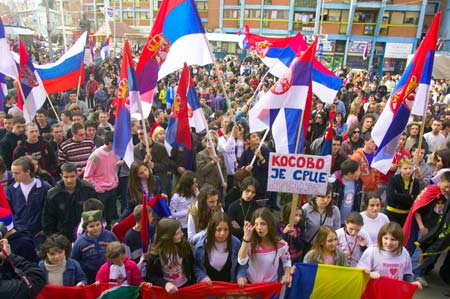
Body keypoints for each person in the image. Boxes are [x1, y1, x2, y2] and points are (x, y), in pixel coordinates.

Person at [42, 162, 98, 242]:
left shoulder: (88, 190)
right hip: (62, 236)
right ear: (61, 176)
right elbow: (48, 219)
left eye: (72, 176)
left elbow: (96, 212)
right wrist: (53, 238)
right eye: (66, 177)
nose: (69, 180)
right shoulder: (53, 195)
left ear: (77, 175)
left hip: (85, 234)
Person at [357, 222, 422, 289]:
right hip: (375, 291)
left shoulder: (404, 252)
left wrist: (411, 283)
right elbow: (359, 271)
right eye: (386, 238)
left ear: (399, 240)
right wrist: (369, 274)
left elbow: (407, 273)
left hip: (395, 291)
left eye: (393, 239)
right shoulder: (372, 251)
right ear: (380, 238)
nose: (389, 243)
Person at [238, 208, 292, 285]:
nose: (259, 227)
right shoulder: (250, 243)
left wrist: (287, 274)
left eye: (263, 224)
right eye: (256, 224)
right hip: (252, 285)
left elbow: (286, 260)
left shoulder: (281, 244)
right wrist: (246, 238)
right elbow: (241, 261)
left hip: (270, 287)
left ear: (270, 224)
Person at [6, 157, 51, 248]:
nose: (13, 176)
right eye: (13, 172)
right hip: (19, 233)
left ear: (28, 172)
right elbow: (9, 211)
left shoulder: (44, 188)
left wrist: (44, 229)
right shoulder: (11, 189)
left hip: (38, 235)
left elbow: (50, 210)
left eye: (17, 173)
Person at [193, 212, 247, 287]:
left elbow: (242, 264)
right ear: (212, 229)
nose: (222, 233)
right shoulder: (200, 246)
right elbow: (196, 266)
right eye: (218, 230)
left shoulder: (236, 243)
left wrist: (241, 275)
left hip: (230, 287)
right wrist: (202, 277)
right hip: (209, 289)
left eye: (226, 230)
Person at [146, 218, 195, 294]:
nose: (182, 234)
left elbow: (192, 264)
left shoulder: (184, 245)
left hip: (186, 286)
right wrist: (165, 284)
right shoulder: (155, 255)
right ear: (168, 237)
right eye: (178, 233)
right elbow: (151, 275)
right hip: (166, 291)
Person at [71, 209, 118, 284]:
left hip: (109, 275)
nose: (95, 228)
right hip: (89, 278)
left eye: (98, 224)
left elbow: (119, 251)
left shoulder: (110, 236)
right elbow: (74, 261)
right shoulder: (79, 243)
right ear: (85, 228)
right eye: (91, 226)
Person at [84, 131, 119, 228]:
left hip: (112, 188)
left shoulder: (114, 153)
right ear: (111, 143)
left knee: (110, 217)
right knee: (101, 216)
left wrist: (115, 181)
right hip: (100, 192)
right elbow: (87, 176)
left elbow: (112, 168)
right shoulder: (95, 156)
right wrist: (98, 188)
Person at [302, 184, 341, 251]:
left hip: (326, 246)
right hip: (309, 245)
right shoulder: (306, 208)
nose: (325, 200)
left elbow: (336, 229)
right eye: (322, 197)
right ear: (315, 196)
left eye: (328, 197)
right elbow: (301, 227)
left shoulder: (335, 210)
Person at [386, 158, 420, 226]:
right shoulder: (393, 179)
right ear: (400, 169)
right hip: (392, 213)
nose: (408, 171)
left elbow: (415, 199)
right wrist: (408, 197)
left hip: (406, 214)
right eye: (405, 168)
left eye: (410, 168)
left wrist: (398, 195)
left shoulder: (415, 182)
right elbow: (391, 197)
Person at [330, 159, 364, 224]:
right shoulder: (334, 183)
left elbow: (361, 198)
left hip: (350, 221)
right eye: (358, 171)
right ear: (350, 173)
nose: (360, 172)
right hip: (335, 220)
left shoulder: (359, 182)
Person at [169, 171, 198, 235]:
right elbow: (170, 214)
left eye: (196, 182)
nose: (196, 184)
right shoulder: (176, 197)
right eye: (194, 183)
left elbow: (199, 204)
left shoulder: (195, 193)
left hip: (193, 224)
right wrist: (186, 212)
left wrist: (197, 193)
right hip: (183, 226)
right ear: (188, 184)